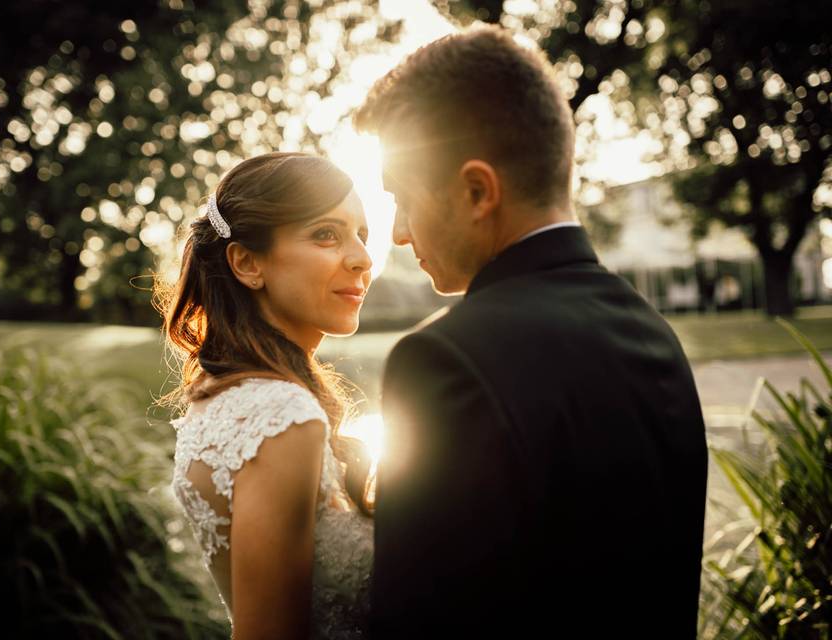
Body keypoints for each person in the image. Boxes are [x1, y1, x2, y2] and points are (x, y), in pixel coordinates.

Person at [353, 25, 709, 638]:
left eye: (401, 199)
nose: (400, 235)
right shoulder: (653, 335)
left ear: (476, 191)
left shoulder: (445, 360)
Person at [156, 152, 375, 639]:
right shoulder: (282, 416)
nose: (362, 257)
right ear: (247, 263)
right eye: (326, 234)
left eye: (363, 233)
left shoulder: (227, 396)